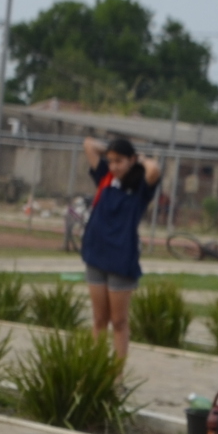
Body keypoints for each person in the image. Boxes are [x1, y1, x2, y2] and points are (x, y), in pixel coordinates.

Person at [77, 133, 162, 364]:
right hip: (96, 254)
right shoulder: (105, 177)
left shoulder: (141, 186)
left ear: (131, 160)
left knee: (119, 321)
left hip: (121, 260)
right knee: (98, 319)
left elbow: (154, 170)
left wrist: (140, 158)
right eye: (111, 161)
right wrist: (112, 150)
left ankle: (117, 376)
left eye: (119, 161)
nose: (113, 166)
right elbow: (88, 144)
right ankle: (93, 367)